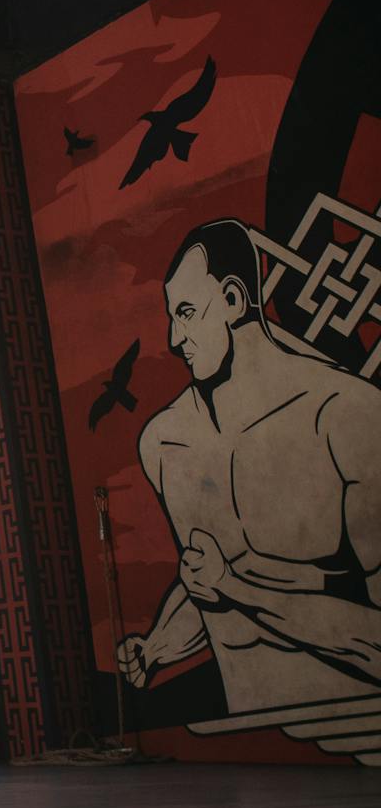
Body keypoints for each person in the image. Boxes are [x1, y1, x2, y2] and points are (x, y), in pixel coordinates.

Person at [120, 220, 381, 712]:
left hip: (355, 728)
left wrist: (233, 587)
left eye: (187, 313)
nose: (175, 338)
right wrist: (154, 647)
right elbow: (208, 585)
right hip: (241, 737)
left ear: (235, 301)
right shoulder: (165, 442)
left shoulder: (344, 416)